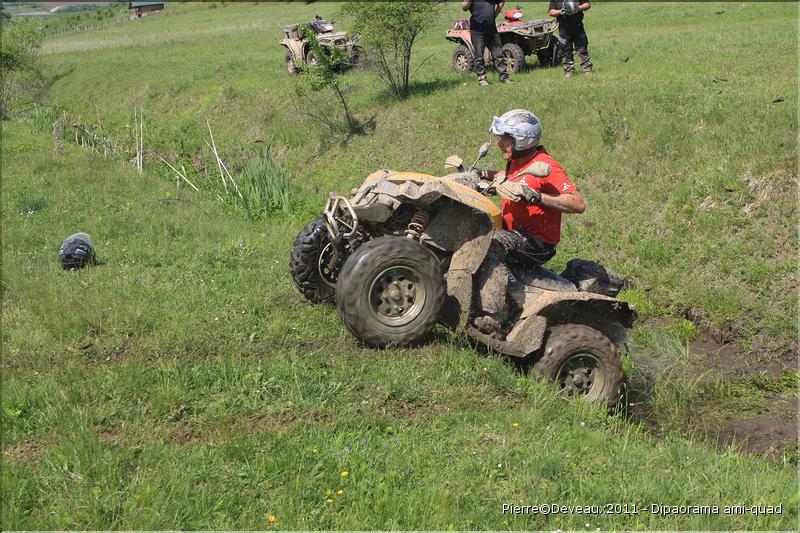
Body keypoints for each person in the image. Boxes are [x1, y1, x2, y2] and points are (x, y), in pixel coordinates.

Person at [474, 109, 585, 334]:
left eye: (505, 139)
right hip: (515, 234)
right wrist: (482, 174)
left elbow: (577, 203)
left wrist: (537, 196)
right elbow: (514, 178)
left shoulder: (547, 165)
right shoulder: (518, 160)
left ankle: (496, 316)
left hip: (536, 244)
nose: (499, 144)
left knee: (492, 244)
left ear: (522, 139)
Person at [461, 0, 512, 86]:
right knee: (479, 56)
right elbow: (463, 7)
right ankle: (482, 79)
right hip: (477, 31)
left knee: (498, 54)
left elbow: (501, 2)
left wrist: (495, 14)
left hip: (492, 29)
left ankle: (504, 78)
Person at [548, 1, 593, 77]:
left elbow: (587, 4)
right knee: (566, 50)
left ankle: (587, 69)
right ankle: (569, 71)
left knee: (582, 48)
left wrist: (578, 8)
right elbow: (551, 11)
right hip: (564, 28)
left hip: (578, 26)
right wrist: (560, 12)